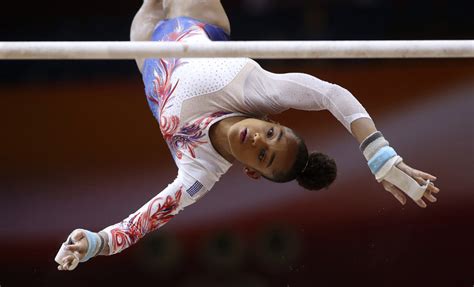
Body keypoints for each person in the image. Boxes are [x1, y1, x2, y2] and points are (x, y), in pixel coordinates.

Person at [56, 0, 440, 271]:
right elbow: (329, 94)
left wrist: (93, 244)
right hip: (198, 17)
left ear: (251, 172)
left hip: (145, 49)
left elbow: (140, 224)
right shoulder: (255, 90)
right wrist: (380, 156)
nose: (259, 141)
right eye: (272, 133)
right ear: (271, 118)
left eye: (264, 157)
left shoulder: (199, 171)